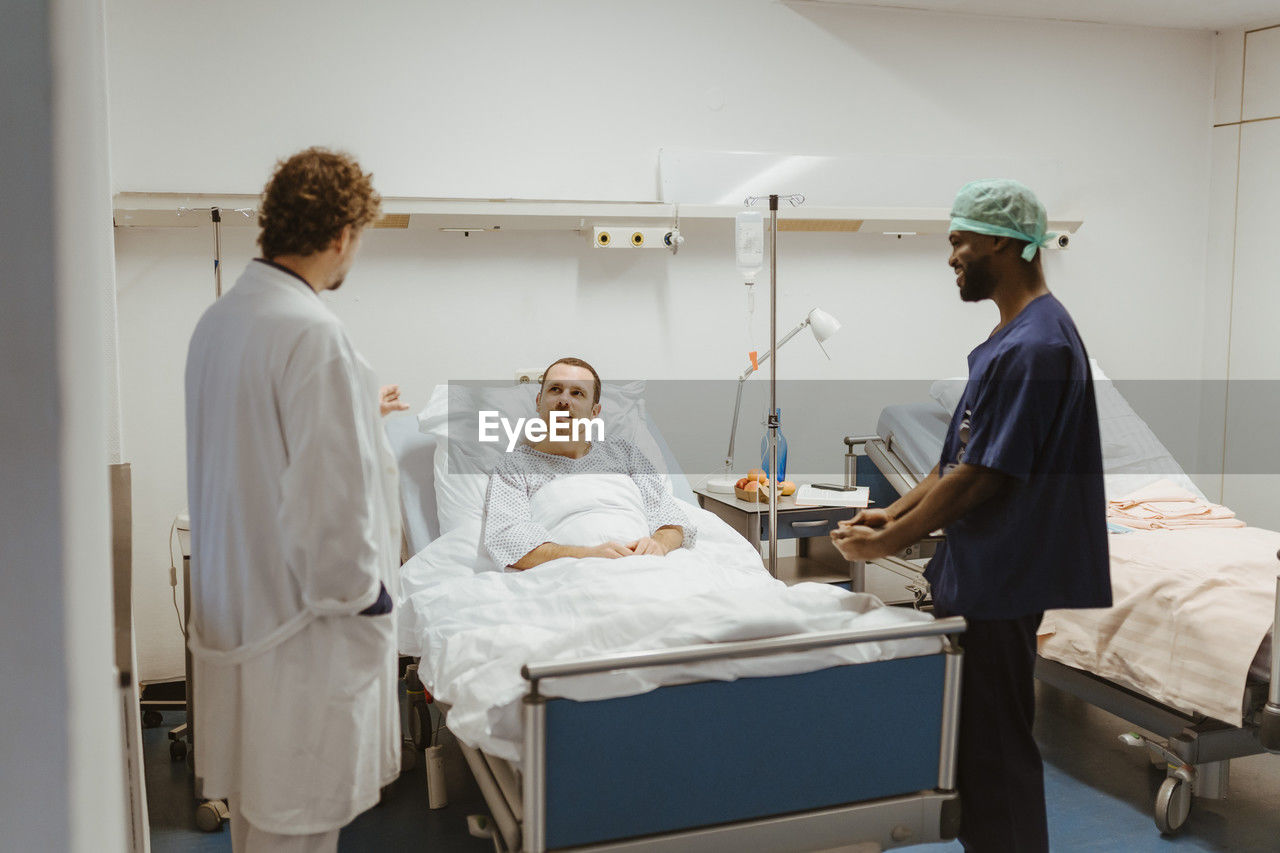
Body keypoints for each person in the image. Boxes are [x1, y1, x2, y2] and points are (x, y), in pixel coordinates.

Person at [829, 179, 1110, 852]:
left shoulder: (1036, 346)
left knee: (996, 749)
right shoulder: (1013, 336)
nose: (951, 254)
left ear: (1006, 244)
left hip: (1003, 573)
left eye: (960, 238)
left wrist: (890, 541)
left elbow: (984, 476)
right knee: (980, 745)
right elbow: (955, 458)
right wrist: (886, 515)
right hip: (987, 570)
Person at [185, 147, 401, 852]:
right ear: (342, 234)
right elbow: (331, 513)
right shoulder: (315, 334)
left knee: (256, 825)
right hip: (302, 641)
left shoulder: (220, 323)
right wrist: (371, 600)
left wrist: (357, 413)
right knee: (298, 831)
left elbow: (257, 451)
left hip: (241, 627)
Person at [482, 357, 694, 569]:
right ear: (538, 401)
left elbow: (671, 519)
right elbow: (508, 539)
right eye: (555, 389)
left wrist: (657, 545)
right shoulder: (515, 467)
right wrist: (586, 555)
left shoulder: (625, 454)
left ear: (594, 412)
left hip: (648, 566)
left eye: (577, 393)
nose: (564, 400)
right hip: (572, 573)